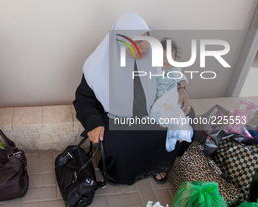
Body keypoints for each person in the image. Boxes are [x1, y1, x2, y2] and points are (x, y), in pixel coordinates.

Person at [73, 14, 195, 185]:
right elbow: (83, 99)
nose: (144, 47)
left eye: (146, 39)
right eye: (137, 42)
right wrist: (93, 123)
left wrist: (182, 89)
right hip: (119, 117)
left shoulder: (153, 56)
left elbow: (173, 73)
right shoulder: (99, 66)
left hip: (152, 110)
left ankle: (159, 165)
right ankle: (119, 174)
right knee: (117, 142)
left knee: (187, 114)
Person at [150, 38, 193, 152]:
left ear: (174, 59)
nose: (165, 61)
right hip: (160, 99)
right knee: (160, 112)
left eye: (169, 58)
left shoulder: (175, 70)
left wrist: (182, 86)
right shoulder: (155, 70)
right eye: (162, 58)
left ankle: (179, 132)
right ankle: (169, 129)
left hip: (172, 97)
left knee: (177, 112)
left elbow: (183, 80)